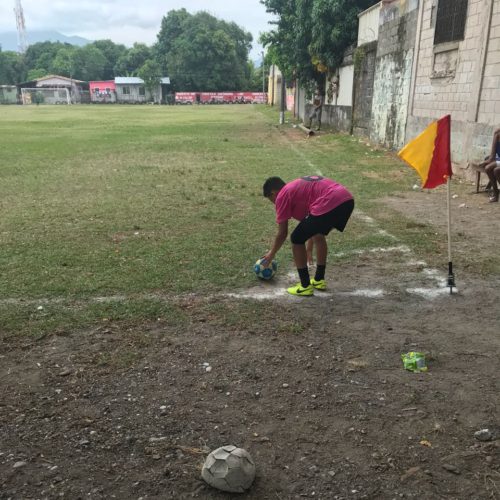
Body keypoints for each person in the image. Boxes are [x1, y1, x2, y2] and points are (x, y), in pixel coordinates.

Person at [261, 175, 354, 296]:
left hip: (331, 200)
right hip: (346, 200)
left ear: (273, 193)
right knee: (318, 235)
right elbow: (311, 227)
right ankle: (319, 279)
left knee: (296, 238)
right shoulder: (295, 190)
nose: (274, 203)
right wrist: (309, 249)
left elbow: (282, 233)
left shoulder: (282, 195)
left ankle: (305, 285)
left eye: (271, 200)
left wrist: (271, 254)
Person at [473, 128, 500, 202]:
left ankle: (496, 193)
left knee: (494, 169)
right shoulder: (497, 135)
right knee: (490, 168)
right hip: (498, 159)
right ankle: (496, 193)